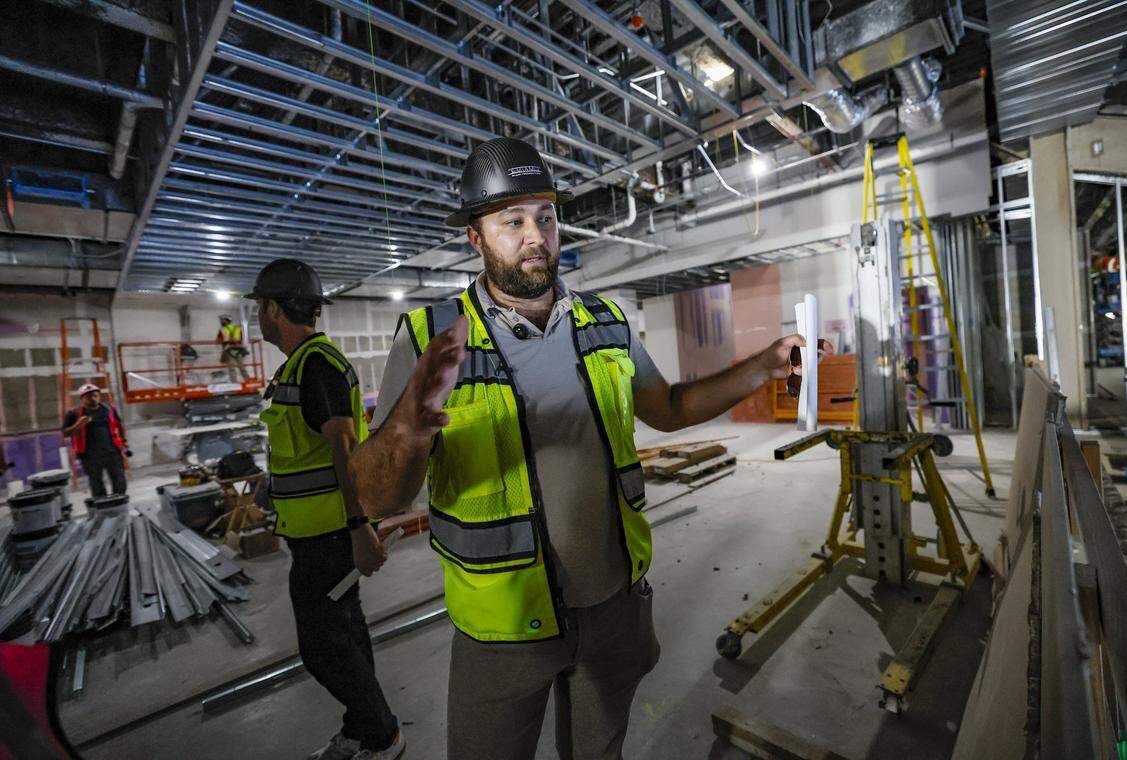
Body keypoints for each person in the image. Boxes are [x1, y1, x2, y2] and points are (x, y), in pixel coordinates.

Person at [350, 136, 832, 760]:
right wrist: (405, 429)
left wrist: (764, 365)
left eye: (546, 218)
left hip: (611, 611)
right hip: (502, 631)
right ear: (476, 238)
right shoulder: (429, 338)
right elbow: (376, 495)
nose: (536, 237)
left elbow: (670, 408)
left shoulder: (604, 322)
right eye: (513, 222)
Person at [247, 259, 405, 760]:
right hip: (318, 533)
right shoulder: (300, 366)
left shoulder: (317, 365)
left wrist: (361, 529)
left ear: (273, 309)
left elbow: (344, 451)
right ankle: (363, 731)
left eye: (259, 308)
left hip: (331, 537)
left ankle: (382, 734)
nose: (257, 318)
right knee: (346, 637)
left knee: (322, 649)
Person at [61, 384, 128, 498]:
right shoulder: (74, 413)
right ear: (82, 398)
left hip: (112, 451)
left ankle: (118, 502)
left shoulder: (109, 410)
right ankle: (102, 506)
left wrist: (124, 442)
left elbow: (119, 425)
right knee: (96, 482)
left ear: (99, 396)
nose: (93, 398)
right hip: (89, 455)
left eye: (95, 395)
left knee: (119, 480)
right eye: (89, 397)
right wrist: (78, 424)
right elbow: (65, 433)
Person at [216, 314, 249, 381]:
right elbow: (242, 339)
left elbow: (218, 341)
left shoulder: (222, 330)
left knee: (232, 369)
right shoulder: (237, 328)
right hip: (239, 350)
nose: (221, 322)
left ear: (227, 321)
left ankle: (234, 383)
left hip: (229, 350)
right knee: (242, 367)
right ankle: (248, 381)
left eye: (222, 320)